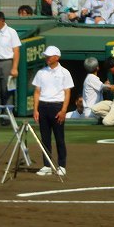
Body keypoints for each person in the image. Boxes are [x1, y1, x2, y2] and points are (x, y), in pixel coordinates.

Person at [33, 45, 72, 177]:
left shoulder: (64, 72)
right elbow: (37, 92)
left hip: (57, 106)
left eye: (49, 56)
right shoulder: (41, 72)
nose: (47, 58)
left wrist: (63, 110)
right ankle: (47, 165)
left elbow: (67, 92)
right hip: (43, 106)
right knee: (45, 138)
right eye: (46, 56)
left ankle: (61, 165)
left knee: (59, 138)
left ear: (57, 57)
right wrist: (35, 109)